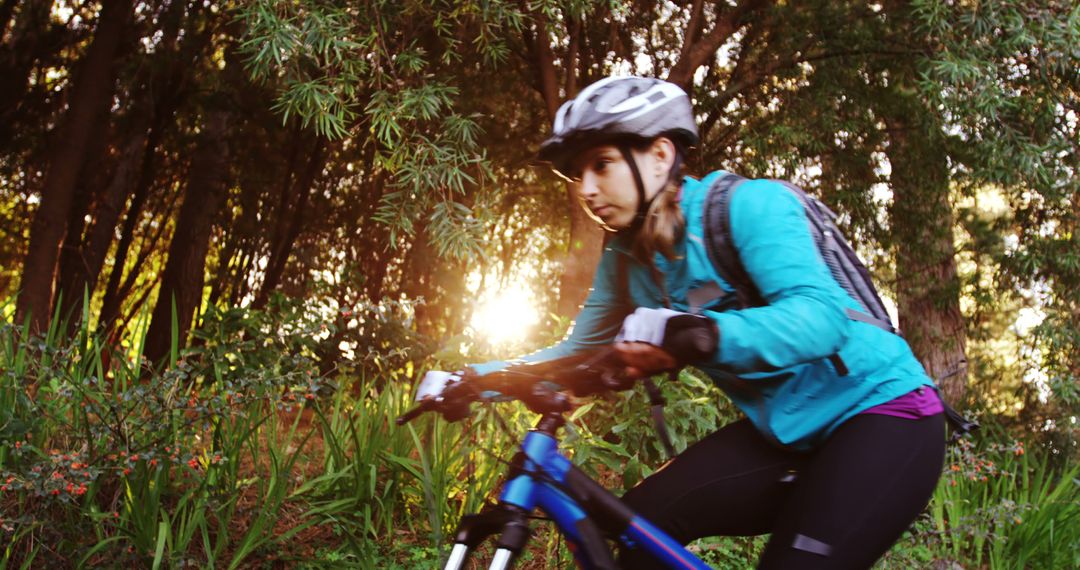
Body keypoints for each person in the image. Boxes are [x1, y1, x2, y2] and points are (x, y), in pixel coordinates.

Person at [458, 76, 947, 568]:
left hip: (885, 414)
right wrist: (476, 380)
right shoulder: (625, 260)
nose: (586, 189)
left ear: (659, 155)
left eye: (601, 164)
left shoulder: (747, 207)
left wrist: (705, 335)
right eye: (576, 174)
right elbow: (576, 351)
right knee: (640, 529)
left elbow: (822, 320)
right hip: (785, 433)